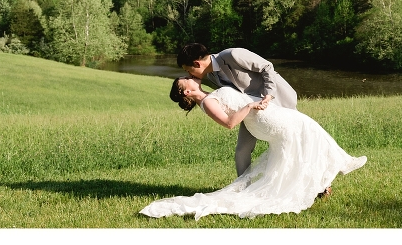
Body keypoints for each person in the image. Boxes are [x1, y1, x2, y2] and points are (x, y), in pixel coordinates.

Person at [139, 76, 366, 219]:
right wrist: (249, 105)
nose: (189, 78)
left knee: (301, 143)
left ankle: (322, 183)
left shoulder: (209, 95)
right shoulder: (207, 103)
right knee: (309, 130)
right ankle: (335, 169)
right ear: (187, 92)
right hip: (263, 121)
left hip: (267, 115)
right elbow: (230, 123)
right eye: (185, 81)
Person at [176, 43, 298, 177]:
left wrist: (269, 94)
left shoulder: (232, 55)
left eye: (188, 70)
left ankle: (319, 184)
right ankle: (243, 188)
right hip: (252, 111)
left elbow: (267, 66)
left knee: (292, 143)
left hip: (277, 99)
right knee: (242, 150)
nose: (189, 74)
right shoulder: (212, 76)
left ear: (197, 63)